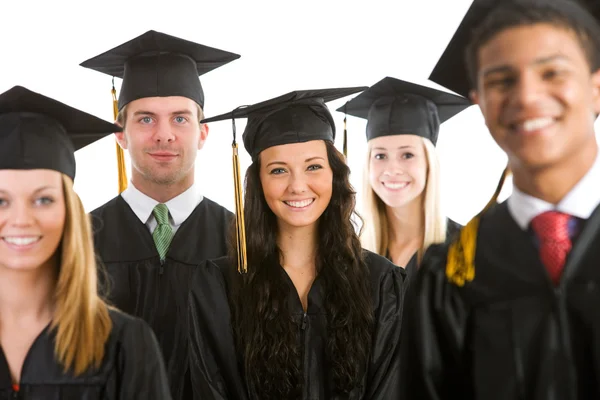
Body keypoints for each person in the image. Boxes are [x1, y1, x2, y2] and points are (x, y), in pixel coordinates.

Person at [403, 0, 600, 398]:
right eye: (502, 80)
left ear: (597, 88)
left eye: (552, 73)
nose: (526, 97)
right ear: (478, 100)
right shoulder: (452, 275)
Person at [187, 87, 408, 400]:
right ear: (258, 181)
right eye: (278, 170)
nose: (297, 185)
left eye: (313, 166)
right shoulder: (219, 285)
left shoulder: (380, 282)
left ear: (334, 173)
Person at [79, 30, 240, 399]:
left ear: (203, 132)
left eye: (180, 119)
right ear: (120, 134)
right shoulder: (79, 238)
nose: (164, 135)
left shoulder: (243, 238)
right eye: (146, 119)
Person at [0, 85, 171, 399]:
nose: (21, 219)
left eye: (43, 200)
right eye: (0, 201)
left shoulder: (124, 345)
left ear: (70, 211)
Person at [339, 77, 470, 277]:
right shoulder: (352, 255)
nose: (392, 169)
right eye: (380, 155)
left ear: (429, 162)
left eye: (407, 155)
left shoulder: (464, 249)